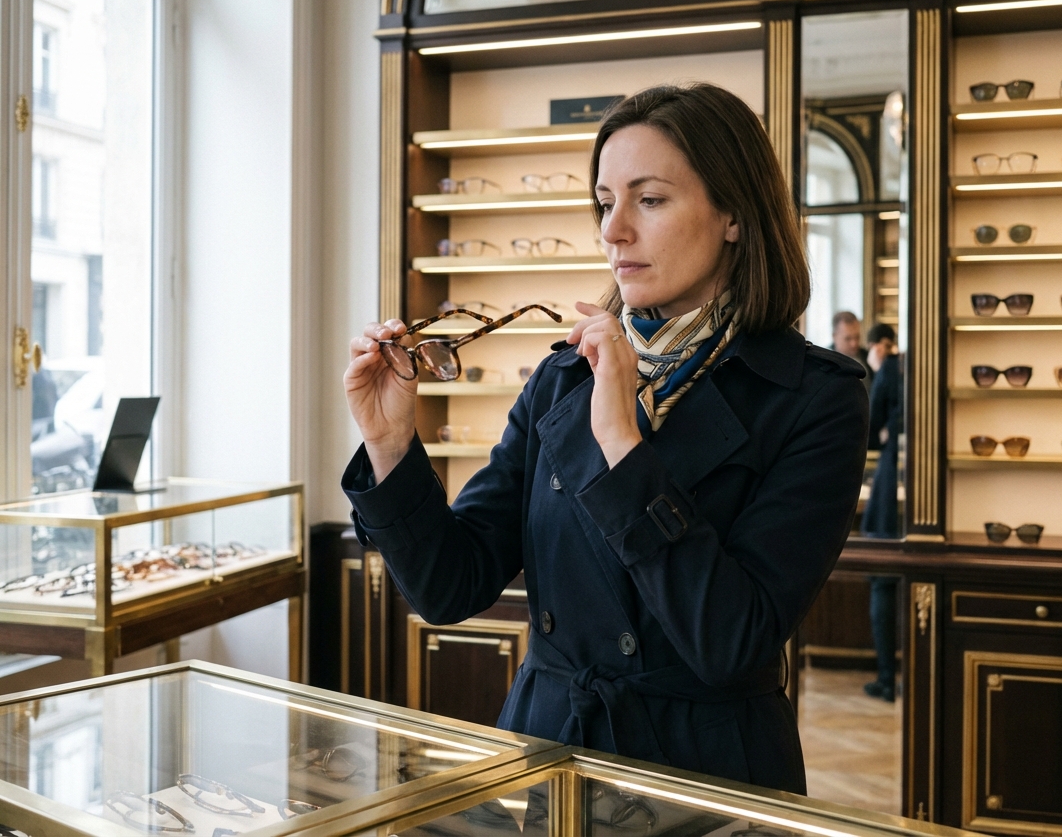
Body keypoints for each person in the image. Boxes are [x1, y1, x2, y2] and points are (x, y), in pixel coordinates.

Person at [342, 83, 869, 794]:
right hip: (551, 752)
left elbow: (732, 641)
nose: (614, 230)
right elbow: (449, 586)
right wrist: (390, 444)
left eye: (648, 200)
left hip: (702, 778)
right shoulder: (563, 379)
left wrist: (623, 445)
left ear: (734, 214)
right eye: (604, 202)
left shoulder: (816, 396)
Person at [860, 323, 902, 702]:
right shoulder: (912, 368)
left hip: (891, 493)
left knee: (883, 583)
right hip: (914, 494)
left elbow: (869, 428)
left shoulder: (888, 369)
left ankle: (887, 676)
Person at [830, 311, 872, 394]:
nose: (854, 343)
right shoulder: (824, 362)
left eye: (857, 337)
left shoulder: (869, 359)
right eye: (848, 338)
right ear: (835, 337)